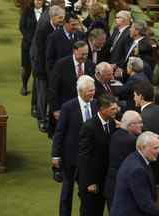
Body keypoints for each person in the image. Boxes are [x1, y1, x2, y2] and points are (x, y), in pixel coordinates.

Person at [51, 75, 97, 216]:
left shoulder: (96, 104)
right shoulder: (68, 107)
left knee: (86, 192)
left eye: (93, 89)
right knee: (67, 192)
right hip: (71, 158)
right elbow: (59, 132)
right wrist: (55, 155)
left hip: (89, 158)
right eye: (90, 90)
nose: (93, 93)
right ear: (81, 91)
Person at [110, 131, 159, 216]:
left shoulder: (137, 157)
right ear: (143, 147)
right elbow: (146, 205)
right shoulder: (137, 170)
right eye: (155, 148)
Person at [78, 94, 118, 216]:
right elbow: (84, 157)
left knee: (99, 209)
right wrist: (90, 182)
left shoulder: (111, 123)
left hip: (104, 179)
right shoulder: (89, 127)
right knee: (90, 211)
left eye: (116, 108)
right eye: (112, 109)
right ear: (102, 109)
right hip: (92, 181)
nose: (116, 111)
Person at [33, 5, 65, 132]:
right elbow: (40, 53)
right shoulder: (43, 29)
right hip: (42, 69)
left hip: (54, 69)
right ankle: (41, 119)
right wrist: (47, 71)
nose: (62, 20)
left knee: (52, 95)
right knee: (43, 96)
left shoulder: (60, 28)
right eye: (60, 17)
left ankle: (50, 117)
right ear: (52, 17)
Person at [104, 110, 143, 208]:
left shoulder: (116, 134)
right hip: (122, 190)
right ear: (130, 125)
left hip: (112, 186)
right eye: (139, 122)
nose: (142, 125)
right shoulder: (132, 141)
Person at [49, 40, 95, 121]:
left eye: (86, 54)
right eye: (82, 54)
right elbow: (53, 88)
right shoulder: (61, 65)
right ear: (74, 51)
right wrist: (55, 109)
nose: (84, 57)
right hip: (65, 107)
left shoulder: (90, 65)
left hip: (84, 109)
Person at [19, 0, 45, 96]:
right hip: (27, 45)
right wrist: (31, 40)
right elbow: (22, 27)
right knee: (26, 68)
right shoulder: (27, 11)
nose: (38, 1)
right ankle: (24, 86)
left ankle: (37, 90)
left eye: (40, 0)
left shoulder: (47, 11)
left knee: (38, 69)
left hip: (42, 46)